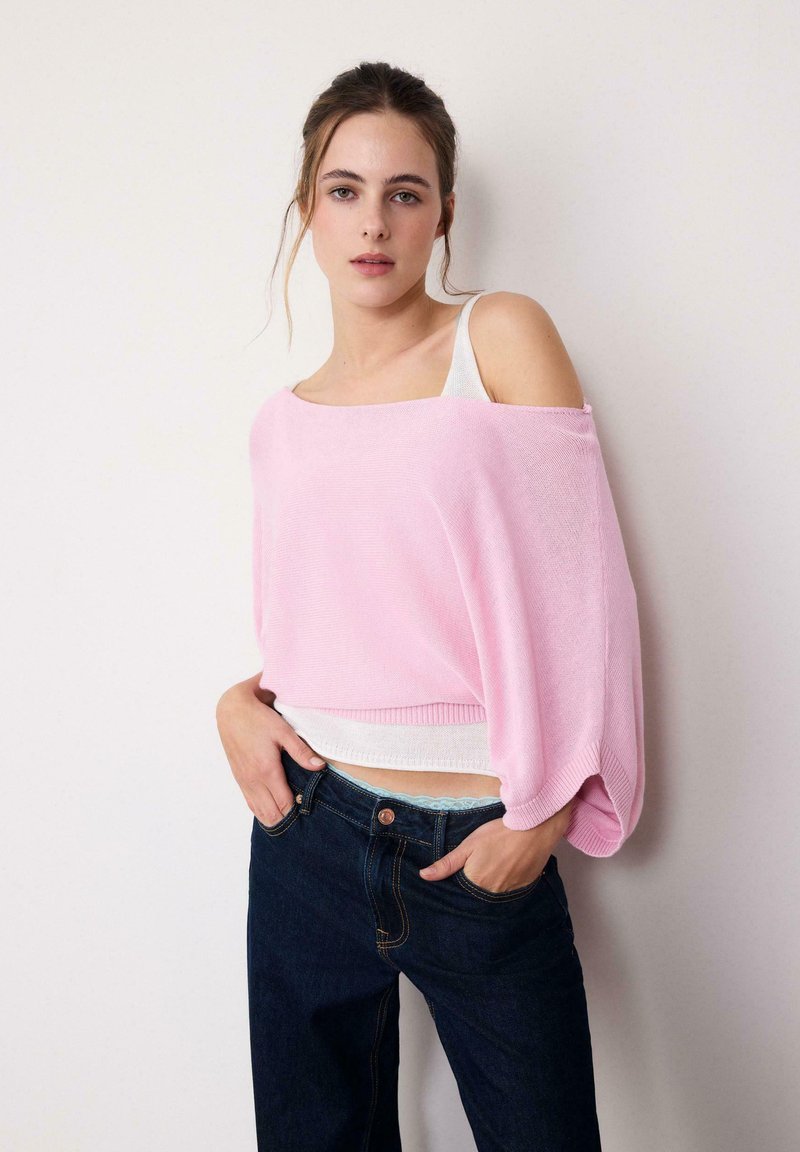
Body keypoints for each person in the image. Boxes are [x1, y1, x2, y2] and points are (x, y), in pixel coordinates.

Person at [216, 60, 645, 1152]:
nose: (374, 222)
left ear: (443, 213)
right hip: (306, 835)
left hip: (475, 848)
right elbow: (327, 627)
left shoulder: (495, 336)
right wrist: (236, 703)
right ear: (308, 208)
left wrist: (544, 814)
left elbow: (587, 588)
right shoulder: (279, 421)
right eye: (345, 189)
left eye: (404, 193)